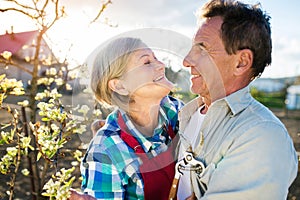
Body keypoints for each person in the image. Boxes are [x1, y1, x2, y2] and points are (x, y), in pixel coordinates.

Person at [175, 0, 298, 199]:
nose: (186, 61)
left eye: (202, 49)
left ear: (241, 62)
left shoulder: (263, 135)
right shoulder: (187, 115)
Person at [75, 37, 184, 199]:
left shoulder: (177, 112)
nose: (161, 66)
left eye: (156, 58)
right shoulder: (105, 151)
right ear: (120, 86)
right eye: (147, 62)